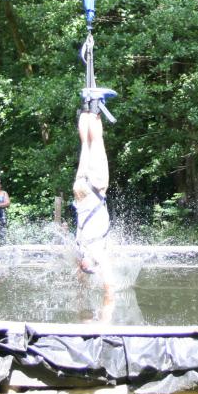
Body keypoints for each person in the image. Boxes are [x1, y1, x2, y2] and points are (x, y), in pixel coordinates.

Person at [73, 110, 110, 273]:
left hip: (95, 189)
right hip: (80, 192)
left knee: (97, 142)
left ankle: (94, 111)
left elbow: (107, 271)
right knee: (85, 146)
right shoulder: (79, 248)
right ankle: (85, 112)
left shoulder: (97, 251)